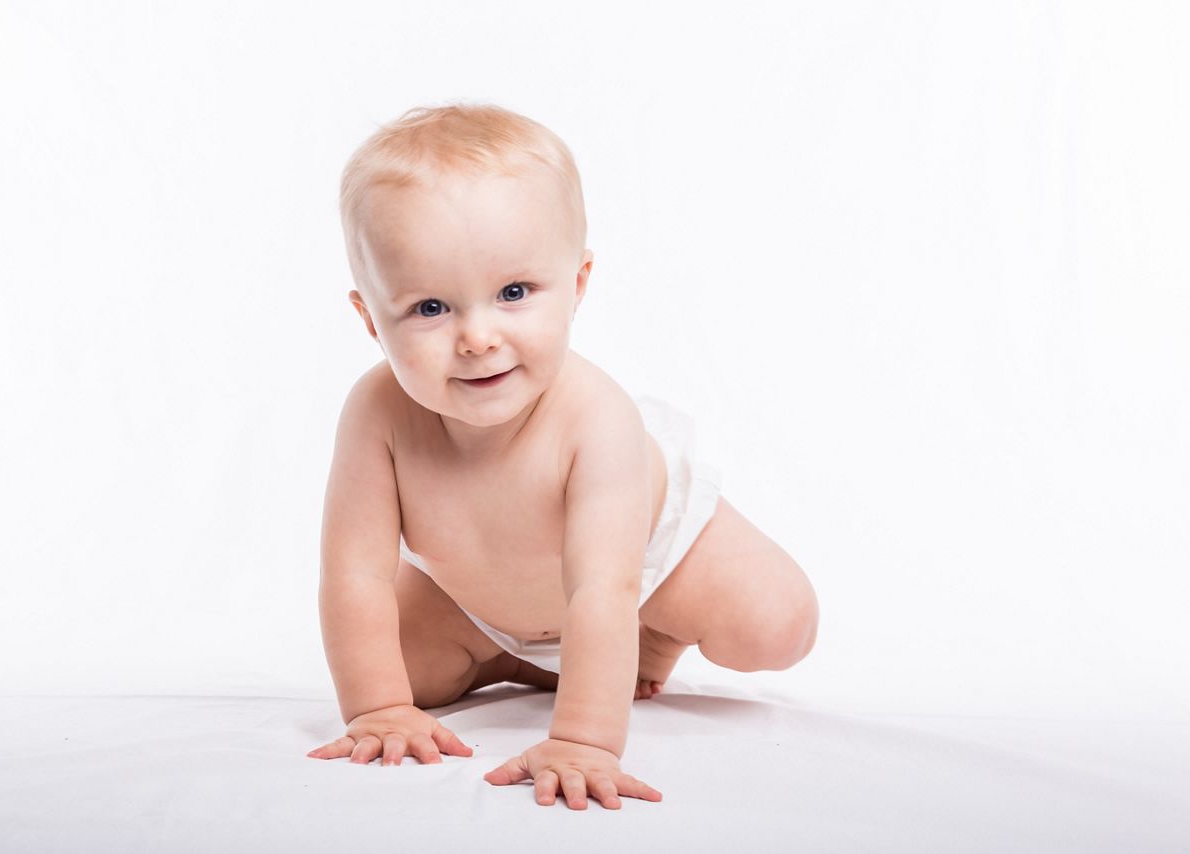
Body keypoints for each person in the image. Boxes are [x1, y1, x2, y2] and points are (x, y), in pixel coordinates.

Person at [306, 102, 819, 811]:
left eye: (513, 293)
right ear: (370, 319)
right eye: (430, 308)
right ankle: (517, 655)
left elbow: (600, 589)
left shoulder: (594, 418)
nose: (477, 336)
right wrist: (378, 708)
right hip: (477, 595)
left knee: (776, 625)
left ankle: (653, 635)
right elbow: (353, 575)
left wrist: (583, 740)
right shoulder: (376, 415)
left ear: (576, 285)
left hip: (640, 565)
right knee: (405, 670)